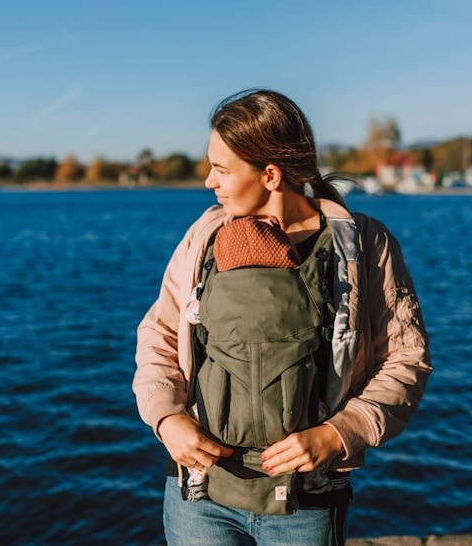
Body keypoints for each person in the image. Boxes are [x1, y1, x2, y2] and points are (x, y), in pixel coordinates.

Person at [133, 89, 432, 545]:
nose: (209, 182)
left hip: (307, 505)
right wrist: (165, 418)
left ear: (270, 174)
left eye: (221, 169)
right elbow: (159, 334)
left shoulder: (362, 244)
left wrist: (340, 433)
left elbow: (406, 359)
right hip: (199, 496)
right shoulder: (205, 236)